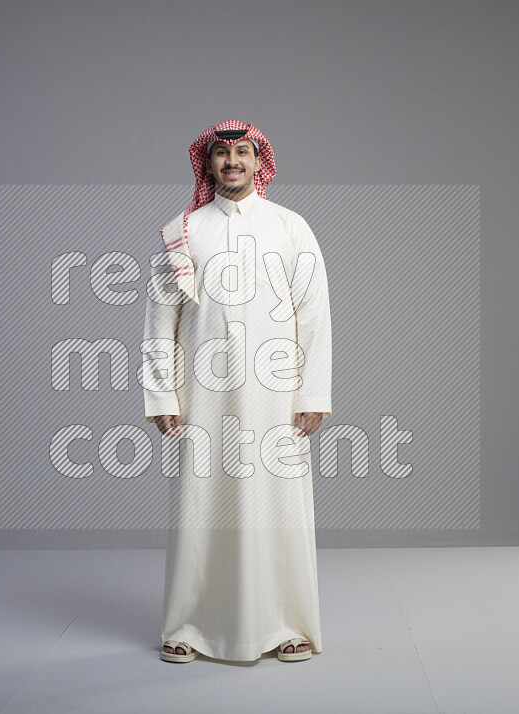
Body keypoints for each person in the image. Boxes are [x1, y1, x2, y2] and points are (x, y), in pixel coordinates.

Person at [141, 120, 332, 663]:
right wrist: (162, 396)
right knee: (199, 507)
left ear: (257, 161)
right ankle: (186, 628)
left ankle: (288, 626)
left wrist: (313, 393)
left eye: (242, 153)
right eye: (222, 154)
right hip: (203, 396)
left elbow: (314, 315)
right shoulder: (180, 230)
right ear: (207, 165)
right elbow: (160, 321)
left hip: (277, 396)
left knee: (279, 506)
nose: (232, 162)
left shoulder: (291, 228)